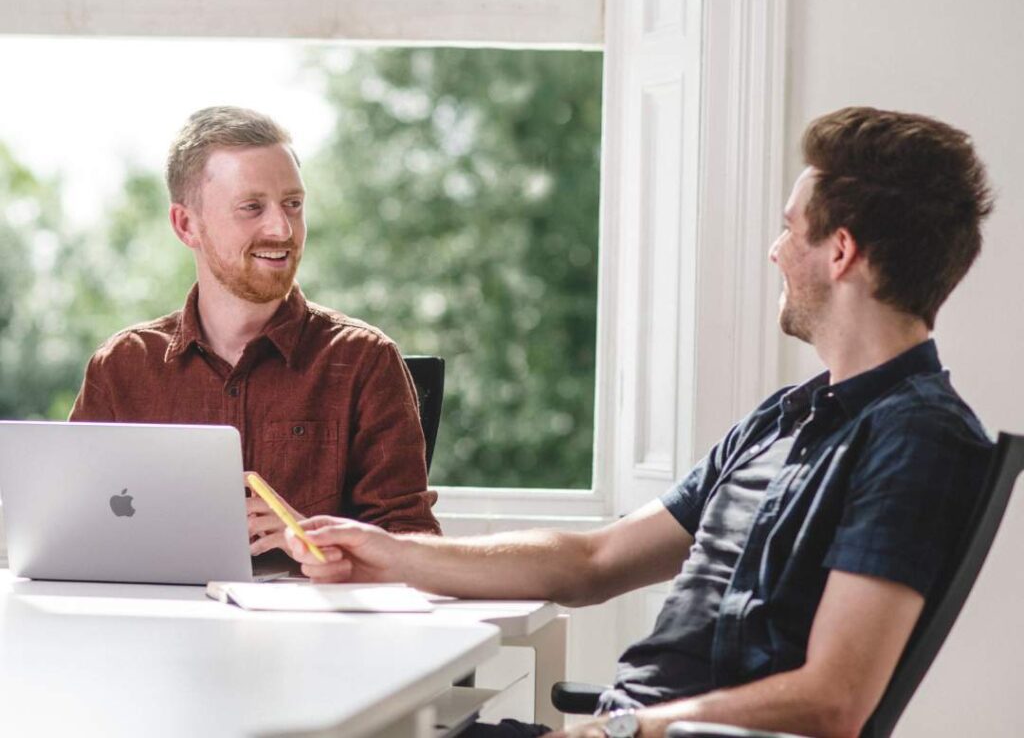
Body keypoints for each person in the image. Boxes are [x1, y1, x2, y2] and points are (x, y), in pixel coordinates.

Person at [287, 106, 996, 738]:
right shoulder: (783, 419)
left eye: (789, 228)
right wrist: (388, 551)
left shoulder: (916, 438)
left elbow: (835, 700)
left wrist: (624, 727)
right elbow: (592, 562)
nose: (775, 250)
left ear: (840, 251)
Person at [70, 106, 441, 557]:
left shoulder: (364, 360)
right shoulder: (122, 367)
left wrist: (311, 537)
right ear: (186, 225)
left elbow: (417, 547)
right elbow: (72, 530)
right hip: (159, 621)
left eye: (293, 204)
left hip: (316, 625)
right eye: (252, 207)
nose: (282, 228)